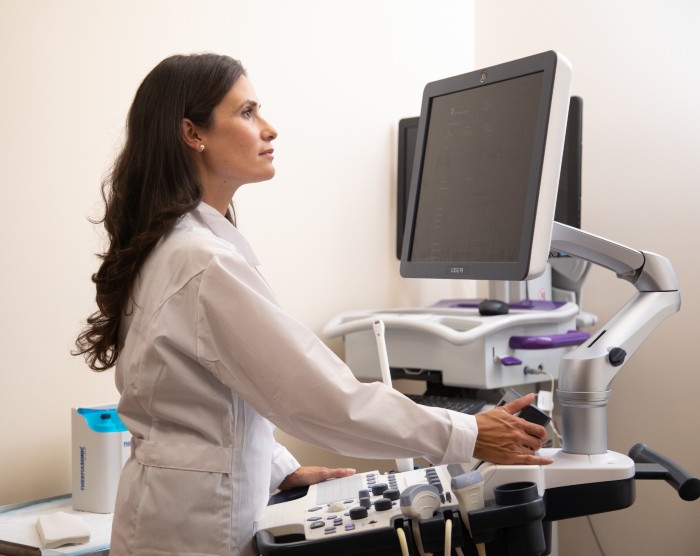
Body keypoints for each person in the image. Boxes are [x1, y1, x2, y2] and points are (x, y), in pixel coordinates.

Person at [74, 53, 552, 556]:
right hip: (193, 531)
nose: (269, 129)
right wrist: (466, 433)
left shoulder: (171, 244)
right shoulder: (202, 262)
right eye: (247, 113)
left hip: (168, 515)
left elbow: (210, 400)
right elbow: (319, 398)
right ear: (193, 133)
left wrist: (280, 467)